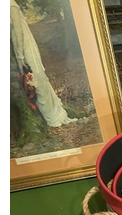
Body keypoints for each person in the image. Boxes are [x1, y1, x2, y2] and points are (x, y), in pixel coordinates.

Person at [10, 0, 76, 128]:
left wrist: (20, 54)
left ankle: (52, 116)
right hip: (22, 46)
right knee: (32, 80)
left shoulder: (10, 5)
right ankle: (50, 115)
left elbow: (19, 31)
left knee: (36, 80)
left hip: (25, 47)